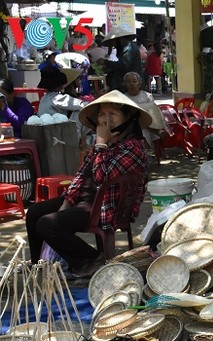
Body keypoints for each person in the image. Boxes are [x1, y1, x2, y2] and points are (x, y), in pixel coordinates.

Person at [25, 90, 151, 278]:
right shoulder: (107, 144)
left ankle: (92, 259)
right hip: (85, 201)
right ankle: (40, 266)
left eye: (112, 114)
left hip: (107, 207)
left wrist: (101, 143)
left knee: (47, 224)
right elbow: (82, 175)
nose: (105, 120)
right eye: (102, 114)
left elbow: (102, 177)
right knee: (35, 213)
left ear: (127, 118)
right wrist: (66, 202)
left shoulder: (133, 148)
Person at [37, 68, 89, 138]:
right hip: (60, 134)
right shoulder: (57, 98)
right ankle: (79, 139)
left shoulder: (44, 98)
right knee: (82, 110)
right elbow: (83, 105)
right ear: (60, 85)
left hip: (49, 132)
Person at [122, 71, 164, 149]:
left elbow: (152, 111)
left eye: (134, 81)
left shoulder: (147, 96)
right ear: (124, 85)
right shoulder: (123, 98)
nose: (131, 84)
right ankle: (157, 132)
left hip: (148, 122)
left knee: (144, 123)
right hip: (131, 125)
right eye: (128, 82)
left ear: (140, 84)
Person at [98, 27, 143, 92]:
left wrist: (105, 62)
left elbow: (123, 65)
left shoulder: (129, 49)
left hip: (131, 82)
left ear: (120, 40)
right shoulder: (126, 48)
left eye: (114, 42)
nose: (114, 46)